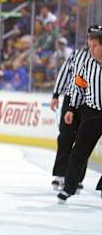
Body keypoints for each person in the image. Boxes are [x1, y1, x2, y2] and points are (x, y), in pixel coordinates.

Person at [57, 25, 102, 202]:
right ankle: (68, 188)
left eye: (94, 46)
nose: (90, 48)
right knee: (78, 152)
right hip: (91, 113)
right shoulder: (86, 63)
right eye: (89, 45)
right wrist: (71, 108)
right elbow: (79, 87)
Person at [50, 44, 90, 192]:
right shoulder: (76, 55)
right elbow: (64, 73)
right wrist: (56, 95)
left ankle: (77, 178)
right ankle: (59, 174)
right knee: (65, 137)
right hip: (71, 98)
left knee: (84, 141)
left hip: (91, 103)